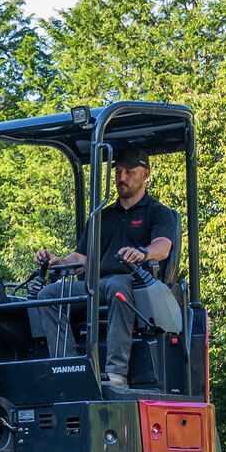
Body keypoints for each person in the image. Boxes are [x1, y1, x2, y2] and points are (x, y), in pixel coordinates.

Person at [32, 146, 177, 389]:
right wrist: (60, 261)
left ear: (146, 174)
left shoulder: (159, 213)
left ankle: (116, 373)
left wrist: (142, 252)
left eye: (129, 171)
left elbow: (162, 247)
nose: (121, 177)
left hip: (131, 283)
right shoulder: (102, 217)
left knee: (117, 286)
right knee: (48, 295)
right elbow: (82, 256)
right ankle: (68, 368)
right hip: (94, 286)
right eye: (118, 171)